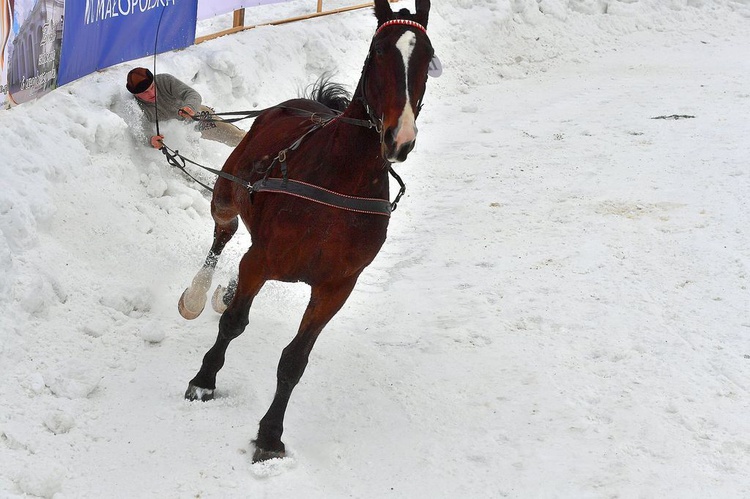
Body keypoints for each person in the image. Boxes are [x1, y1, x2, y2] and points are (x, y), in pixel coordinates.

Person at [126, 67, 245, 149]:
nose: (152, 93)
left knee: (239, 138)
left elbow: (192, 95)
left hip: (197, 117)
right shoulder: (136, 107)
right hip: (179, 135)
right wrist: (151, 140)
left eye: (152, 87)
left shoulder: (165, 80)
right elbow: (142, 131)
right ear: (136, 94)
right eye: (145, 92)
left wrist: (190, 107)